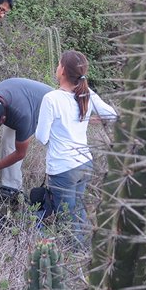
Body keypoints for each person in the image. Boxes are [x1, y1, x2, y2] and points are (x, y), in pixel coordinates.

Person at [34, 50, 117, 246]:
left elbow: (41, 136)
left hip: (63, 167)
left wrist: (54, 142)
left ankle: (74, 258)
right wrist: (89, 120)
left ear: (62, 70)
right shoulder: (87, 94)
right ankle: (87, 255)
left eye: (58, 64)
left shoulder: (52, 98)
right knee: (79, 213)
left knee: (67, 221)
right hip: (84, 163)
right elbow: (112, 115)